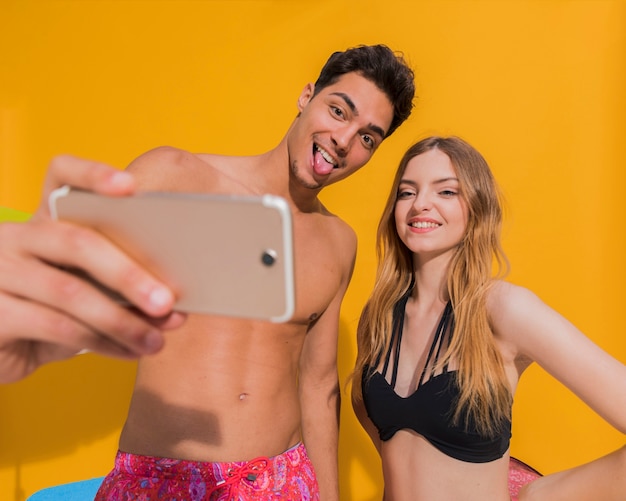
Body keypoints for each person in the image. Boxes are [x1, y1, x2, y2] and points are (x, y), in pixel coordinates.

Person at [0, 45, 415, 499]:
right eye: (338, 111)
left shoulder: (339, 242)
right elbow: (64, 275)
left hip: (284, 481)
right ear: (306, 96)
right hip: (162, 480)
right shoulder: (176, 178)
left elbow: (319, 386)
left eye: (367, 138)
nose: (344, 140)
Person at [351, 136, 626, 500]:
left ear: (477, 206)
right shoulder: (379, 316)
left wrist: (538, 495)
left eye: (446, 192)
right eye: (407, 192)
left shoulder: (502, 308)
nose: (421, 204)